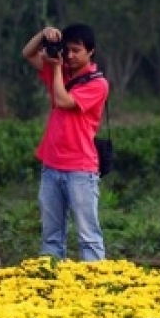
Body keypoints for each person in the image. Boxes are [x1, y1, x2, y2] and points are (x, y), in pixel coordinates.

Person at [22, 23, 109, 261]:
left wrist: (57, 68)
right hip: (51, 165)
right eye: (66, 50)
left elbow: (63, 100)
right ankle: (49, 283)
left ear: (90, 51)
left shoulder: (97, 84)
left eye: (75, 50)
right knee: (51, 236)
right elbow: (28, 53)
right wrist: (43, 34)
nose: (69, 56)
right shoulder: (60, 70)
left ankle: (96, 288)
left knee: (88, 236)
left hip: (80, 168)